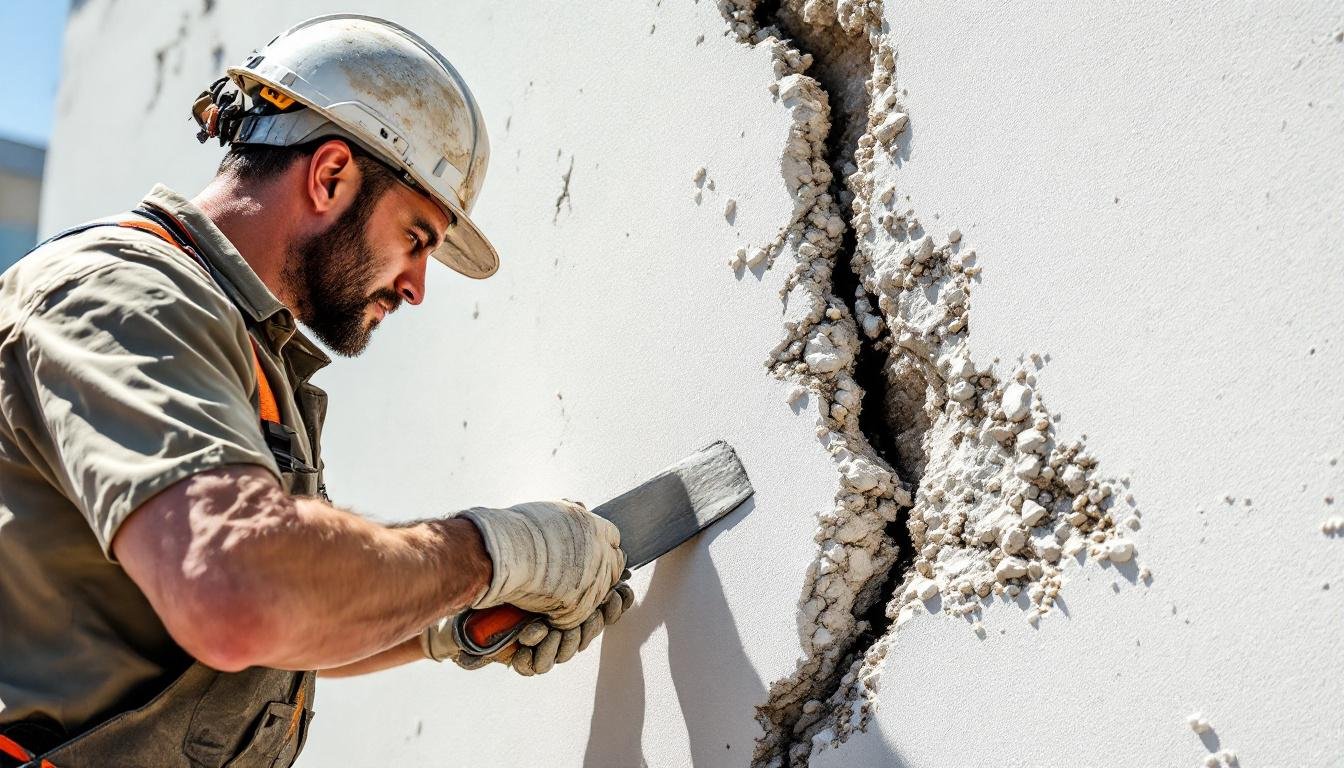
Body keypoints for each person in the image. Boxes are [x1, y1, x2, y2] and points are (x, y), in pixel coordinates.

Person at [0, 15, 630, 767]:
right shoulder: (127, 297)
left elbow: (271, 623)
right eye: (417, 239)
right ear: (331, 176)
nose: (417, 286)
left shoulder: (234, 340)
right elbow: (237, 595)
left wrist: (445, 620)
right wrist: (489, 555)